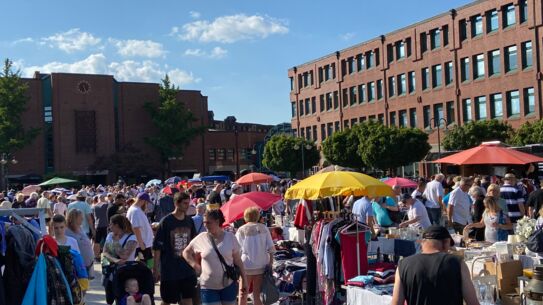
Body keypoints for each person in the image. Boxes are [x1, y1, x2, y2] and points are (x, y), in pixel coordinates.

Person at [391, 226, 479, 305]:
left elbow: (396, 302)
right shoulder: (457, 263)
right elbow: (472, 302)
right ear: (446, 242)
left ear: (422, 242)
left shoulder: (403, 265)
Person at [183, 210, 247, 305]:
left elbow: (238, 261)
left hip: (228, 285)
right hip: (208, 287)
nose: (205, 225)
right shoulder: (201, 237)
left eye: (208, 222)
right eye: (204, 222)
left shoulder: (230, 237)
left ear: (217, 222)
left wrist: (244, 281)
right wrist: (195, 265)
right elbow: (186, 252)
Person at [153, 192, 198, 305]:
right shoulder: (166, 222)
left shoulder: (189, 221)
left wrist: (196, 264)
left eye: (188, 203)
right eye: (185, 203)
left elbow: (194, 244)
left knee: (188, 300)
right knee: (167, 300)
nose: (187, 206)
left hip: (187, 270)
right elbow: (157, 247)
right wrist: (156, 269)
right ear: (176, 203)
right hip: (170, 270)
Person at [236, 207, 275, 305]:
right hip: (261, 264)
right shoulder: (264, 228)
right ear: (257, 216)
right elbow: (271, 247)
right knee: (257, 295)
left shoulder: (241, 229)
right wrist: (270, 262)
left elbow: (237, 249)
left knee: (243, 293)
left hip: (246, 265)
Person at [103, 215, 138, 305]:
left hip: (125, 272)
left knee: (122, 297)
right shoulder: (110, 235)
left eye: (111, 224)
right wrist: (115, 260)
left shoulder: (132, 238)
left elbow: (124, 255)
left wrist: (116, 242)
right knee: (109, 297)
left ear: (117, 225)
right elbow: (105, 252)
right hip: (110, 271)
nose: (109, 227)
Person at [127, 192, 155, 268]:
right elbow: (135, 228)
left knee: (149, 265)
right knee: (146, 267)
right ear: (144, 201)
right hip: (142, 245)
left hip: (144, 244)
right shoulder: (135, 211)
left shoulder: (136, 209)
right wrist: (141, 244)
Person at [66, 208, 95, 278]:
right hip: (78, 266)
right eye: (80, 217)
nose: (82, 218)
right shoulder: (67, 231)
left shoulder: (80, 228)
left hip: (88, 264)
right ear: (74, 218)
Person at [93, 193, 110, 260]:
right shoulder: (106, 205)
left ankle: (96, 256)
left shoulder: (94, 206)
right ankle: (105, 255)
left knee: (97, 241)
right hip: (105, 225)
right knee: (106, 241)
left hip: (97, 224)